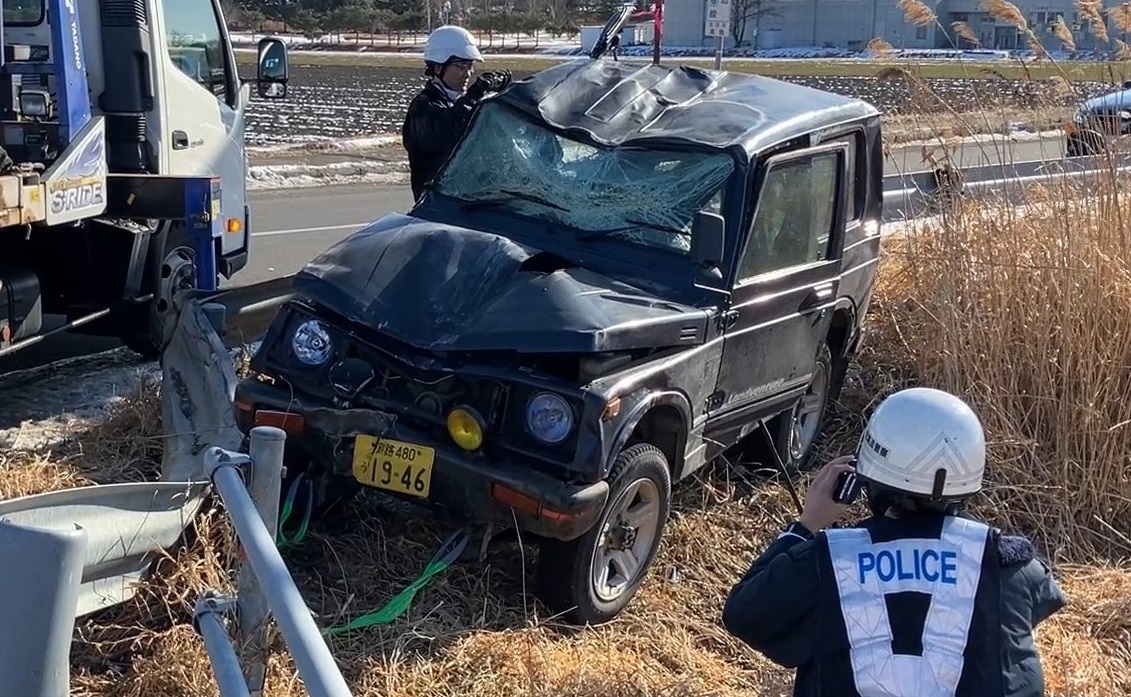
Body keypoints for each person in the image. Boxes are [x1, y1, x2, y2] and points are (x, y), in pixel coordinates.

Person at [721, 387, 1066, 697]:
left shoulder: (830, 560)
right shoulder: (1009, 564)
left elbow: (744, 614)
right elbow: (1042, 596)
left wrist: (806, 524)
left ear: (867, 474)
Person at [401, 25, 512, 200]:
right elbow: (446, 133)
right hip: (436, 207)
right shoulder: (423, 106)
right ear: (438, 68)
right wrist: (474, 95)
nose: (468, 73)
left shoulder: (459, 103)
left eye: (470, 66)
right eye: (461, 66)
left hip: (465, 203)